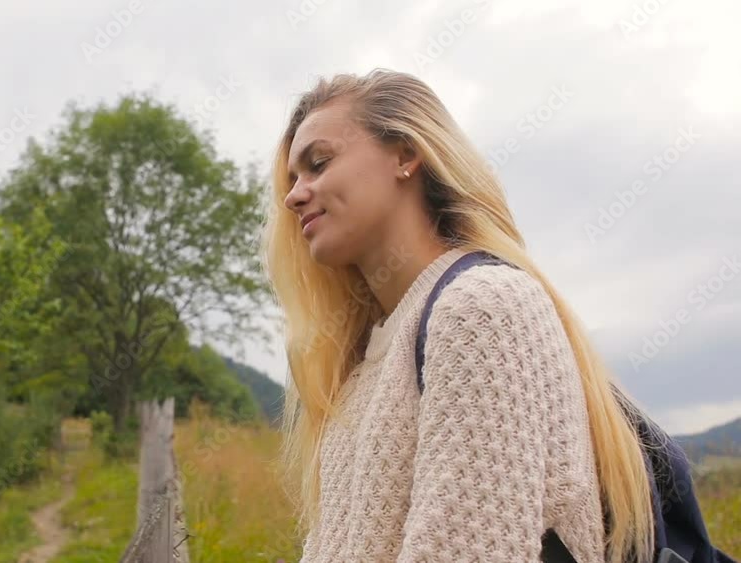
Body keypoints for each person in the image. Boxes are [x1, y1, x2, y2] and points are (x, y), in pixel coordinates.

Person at [261, 68, 655, 563]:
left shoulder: (483, 308)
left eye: (318, 163)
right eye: (293, 179)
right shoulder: (364, 362)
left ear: (405, 155)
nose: (294, 194)